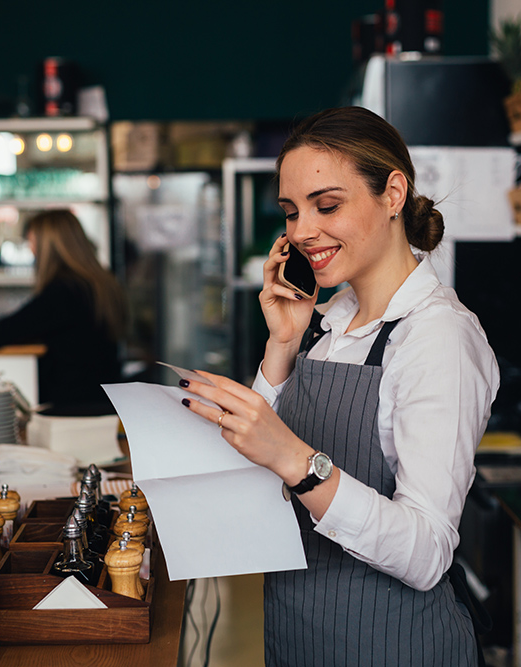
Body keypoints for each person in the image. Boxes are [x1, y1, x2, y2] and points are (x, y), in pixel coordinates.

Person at [179, 107, 500, 666]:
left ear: (393, 193)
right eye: (291, 211)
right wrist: (281, 346)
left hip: (393, 649)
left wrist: (299, 461)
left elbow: (427, 552)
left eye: (327, 205)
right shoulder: (326, 325)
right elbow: (257, 489)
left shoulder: (438, 337)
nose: (302, 231)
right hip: (295, 637)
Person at [0, 209, 125, 415]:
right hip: (105, 400)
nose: (31, 250)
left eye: (32, 242)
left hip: (73, 407)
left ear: (48, 246)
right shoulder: (100, 283)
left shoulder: (63, 291)